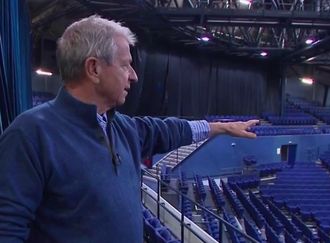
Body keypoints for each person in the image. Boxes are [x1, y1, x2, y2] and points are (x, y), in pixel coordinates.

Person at [0, 15, 259, 243]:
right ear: (94, 69)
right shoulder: (30, 134)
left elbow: (171, 131)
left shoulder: (122, 128)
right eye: (125, 64)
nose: (133, 75)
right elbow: (7, 230)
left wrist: (220, 127)